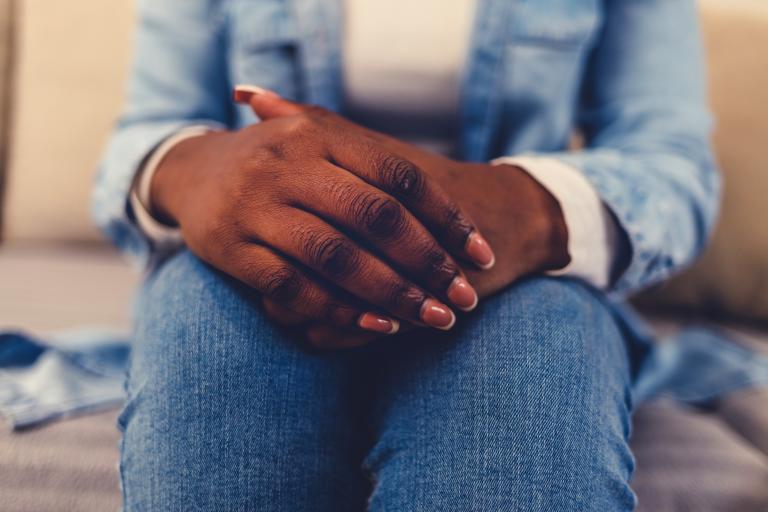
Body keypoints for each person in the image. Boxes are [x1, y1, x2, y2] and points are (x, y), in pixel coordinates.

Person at [94, 0, 719, 510]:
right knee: (207, 343)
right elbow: (150, 128)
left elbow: (672, 161)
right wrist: (196, 169)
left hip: (512, 273)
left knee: (541, 354)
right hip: (267, 251)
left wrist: (530, 210)